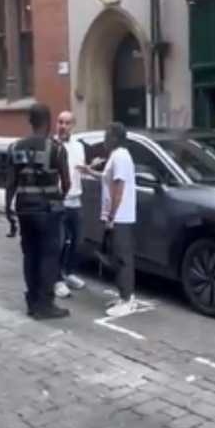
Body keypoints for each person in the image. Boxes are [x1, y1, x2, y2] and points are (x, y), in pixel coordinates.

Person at [4, 103, 71, 319]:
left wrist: (8, 209)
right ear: (49, 121)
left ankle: (32, 301)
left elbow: (10, 183)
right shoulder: (57, 149)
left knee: (30, 254)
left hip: (24, 209)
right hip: (48, 210)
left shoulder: (15, 148)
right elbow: (67, 182)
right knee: (49, 256)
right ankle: (45, 305)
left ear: (30, 122)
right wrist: (59, 196)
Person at [85, 122, 137, 316]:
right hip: (117, 215)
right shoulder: (115, 156)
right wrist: (90, 172)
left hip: (121, 216)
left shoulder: (121, 156)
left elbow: (119, 188)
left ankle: (127, 300)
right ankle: (124, 295)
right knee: (116, 256)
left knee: (123, 258)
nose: (104, 139)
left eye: (107, 136)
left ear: (115, 137)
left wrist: (111, 216)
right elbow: (108, 179)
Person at [53, 111, 102, 299]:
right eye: (60, 122)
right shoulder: (52, 145)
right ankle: (57, 279)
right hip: (58, 200)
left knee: (78, 239)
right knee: (59, 241)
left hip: (75, 200)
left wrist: (91, 168)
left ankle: (69, 272)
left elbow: (80, 171)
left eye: (67, 123)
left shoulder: (78, 147)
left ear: (73, 125)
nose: (63, 126)